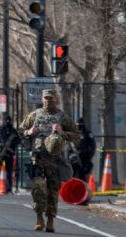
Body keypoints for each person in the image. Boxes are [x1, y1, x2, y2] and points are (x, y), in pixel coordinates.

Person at [20, 89, 79, 232]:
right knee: (38, 187)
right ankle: (39, 218)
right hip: (38, 158)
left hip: (55, 160)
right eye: (46, 98)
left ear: (56, 99)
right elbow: (20, 131)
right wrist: (29, 132)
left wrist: (62, 132)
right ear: (42, 99)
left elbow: (76, 135)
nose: (48, 101)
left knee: (53, 190)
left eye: (51, 99)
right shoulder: (34, 115)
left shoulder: (62, 117)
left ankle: (51, 220)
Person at [0, 114, 20, 193]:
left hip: (10, 154)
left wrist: (12, 144)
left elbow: (19, 140)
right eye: (6, 120)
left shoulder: (13, 130)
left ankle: (9, 189)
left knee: (9, 172)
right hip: (0, 153)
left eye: (8, 120)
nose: (7, 122)